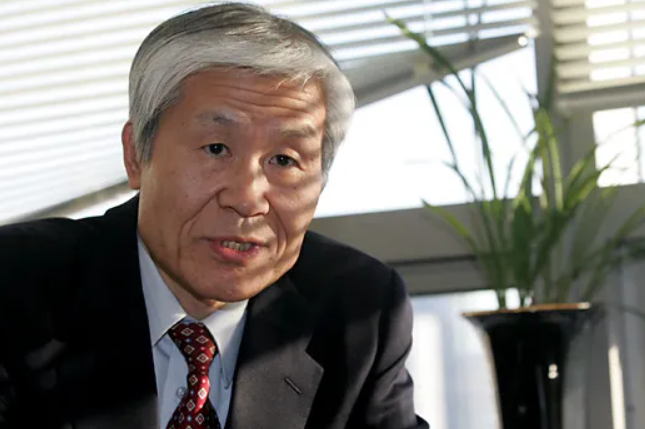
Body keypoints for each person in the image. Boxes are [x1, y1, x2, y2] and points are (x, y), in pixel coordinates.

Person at [0, 3, 429, 429]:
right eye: (216, 148)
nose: (247, 198)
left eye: (284, 159)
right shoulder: (14, 285)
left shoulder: (359, 312)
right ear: (135, 155)